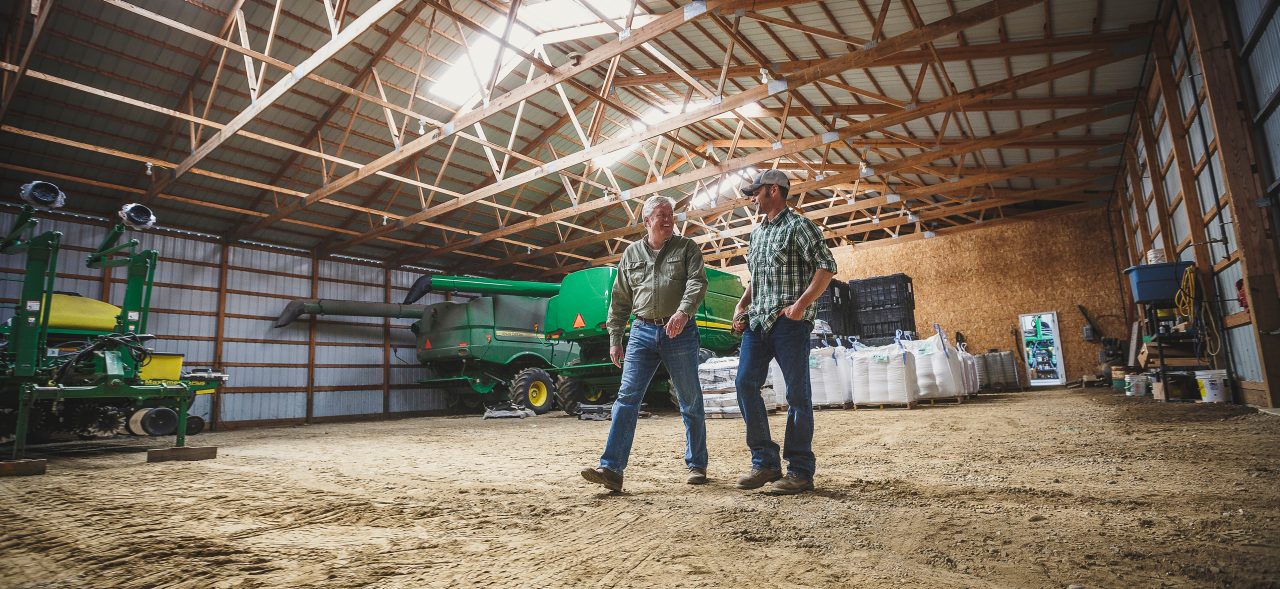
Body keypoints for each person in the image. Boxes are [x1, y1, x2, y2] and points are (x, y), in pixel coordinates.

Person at [581, 195, 710, 492]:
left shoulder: (687, 248)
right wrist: (615, 338)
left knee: (689, 399)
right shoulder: (631, 255)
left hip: (679, 331)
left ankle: (697, 463)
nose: (668, 219)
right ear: (647, 220)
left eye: (671, 214)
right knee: (627, 398)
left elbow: (697, 282)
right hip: (641, 332)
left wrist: (683, 312)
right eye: (661, 214)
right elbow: (620, 298)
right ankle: (612, 469)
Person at [731, 169, 836, 495]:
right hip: (758, 323)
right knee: (745, 383)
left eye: (756, 191)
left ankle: (800, 471)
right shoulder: (757, 233)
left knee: (796, 396)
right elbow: (757, 279)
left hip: (789, 324)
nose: (752, 197)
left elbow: (827, 266)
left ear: (774, 191)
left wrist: (801, 305)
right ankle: (765, 462)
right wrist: (742, 304)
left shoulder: (799, 226)